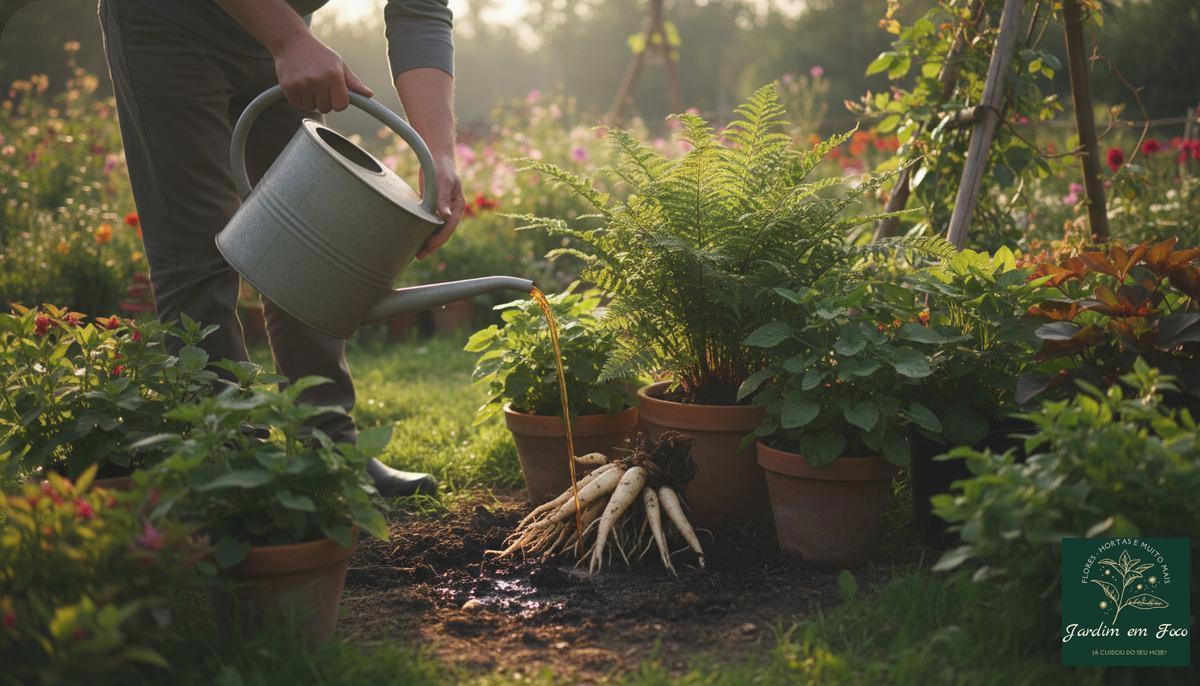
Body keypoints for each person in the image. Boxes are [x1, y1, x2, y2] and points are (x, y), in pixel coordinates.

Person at [97, 0, 464, 496]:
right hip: (168, 23)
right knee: (200, 251)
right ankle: (231, 462)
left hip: (282, 28)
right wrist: (288, 39)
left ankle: (329, 450)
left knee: (313, 240)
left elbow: (418, 10)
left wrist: (438, 151)